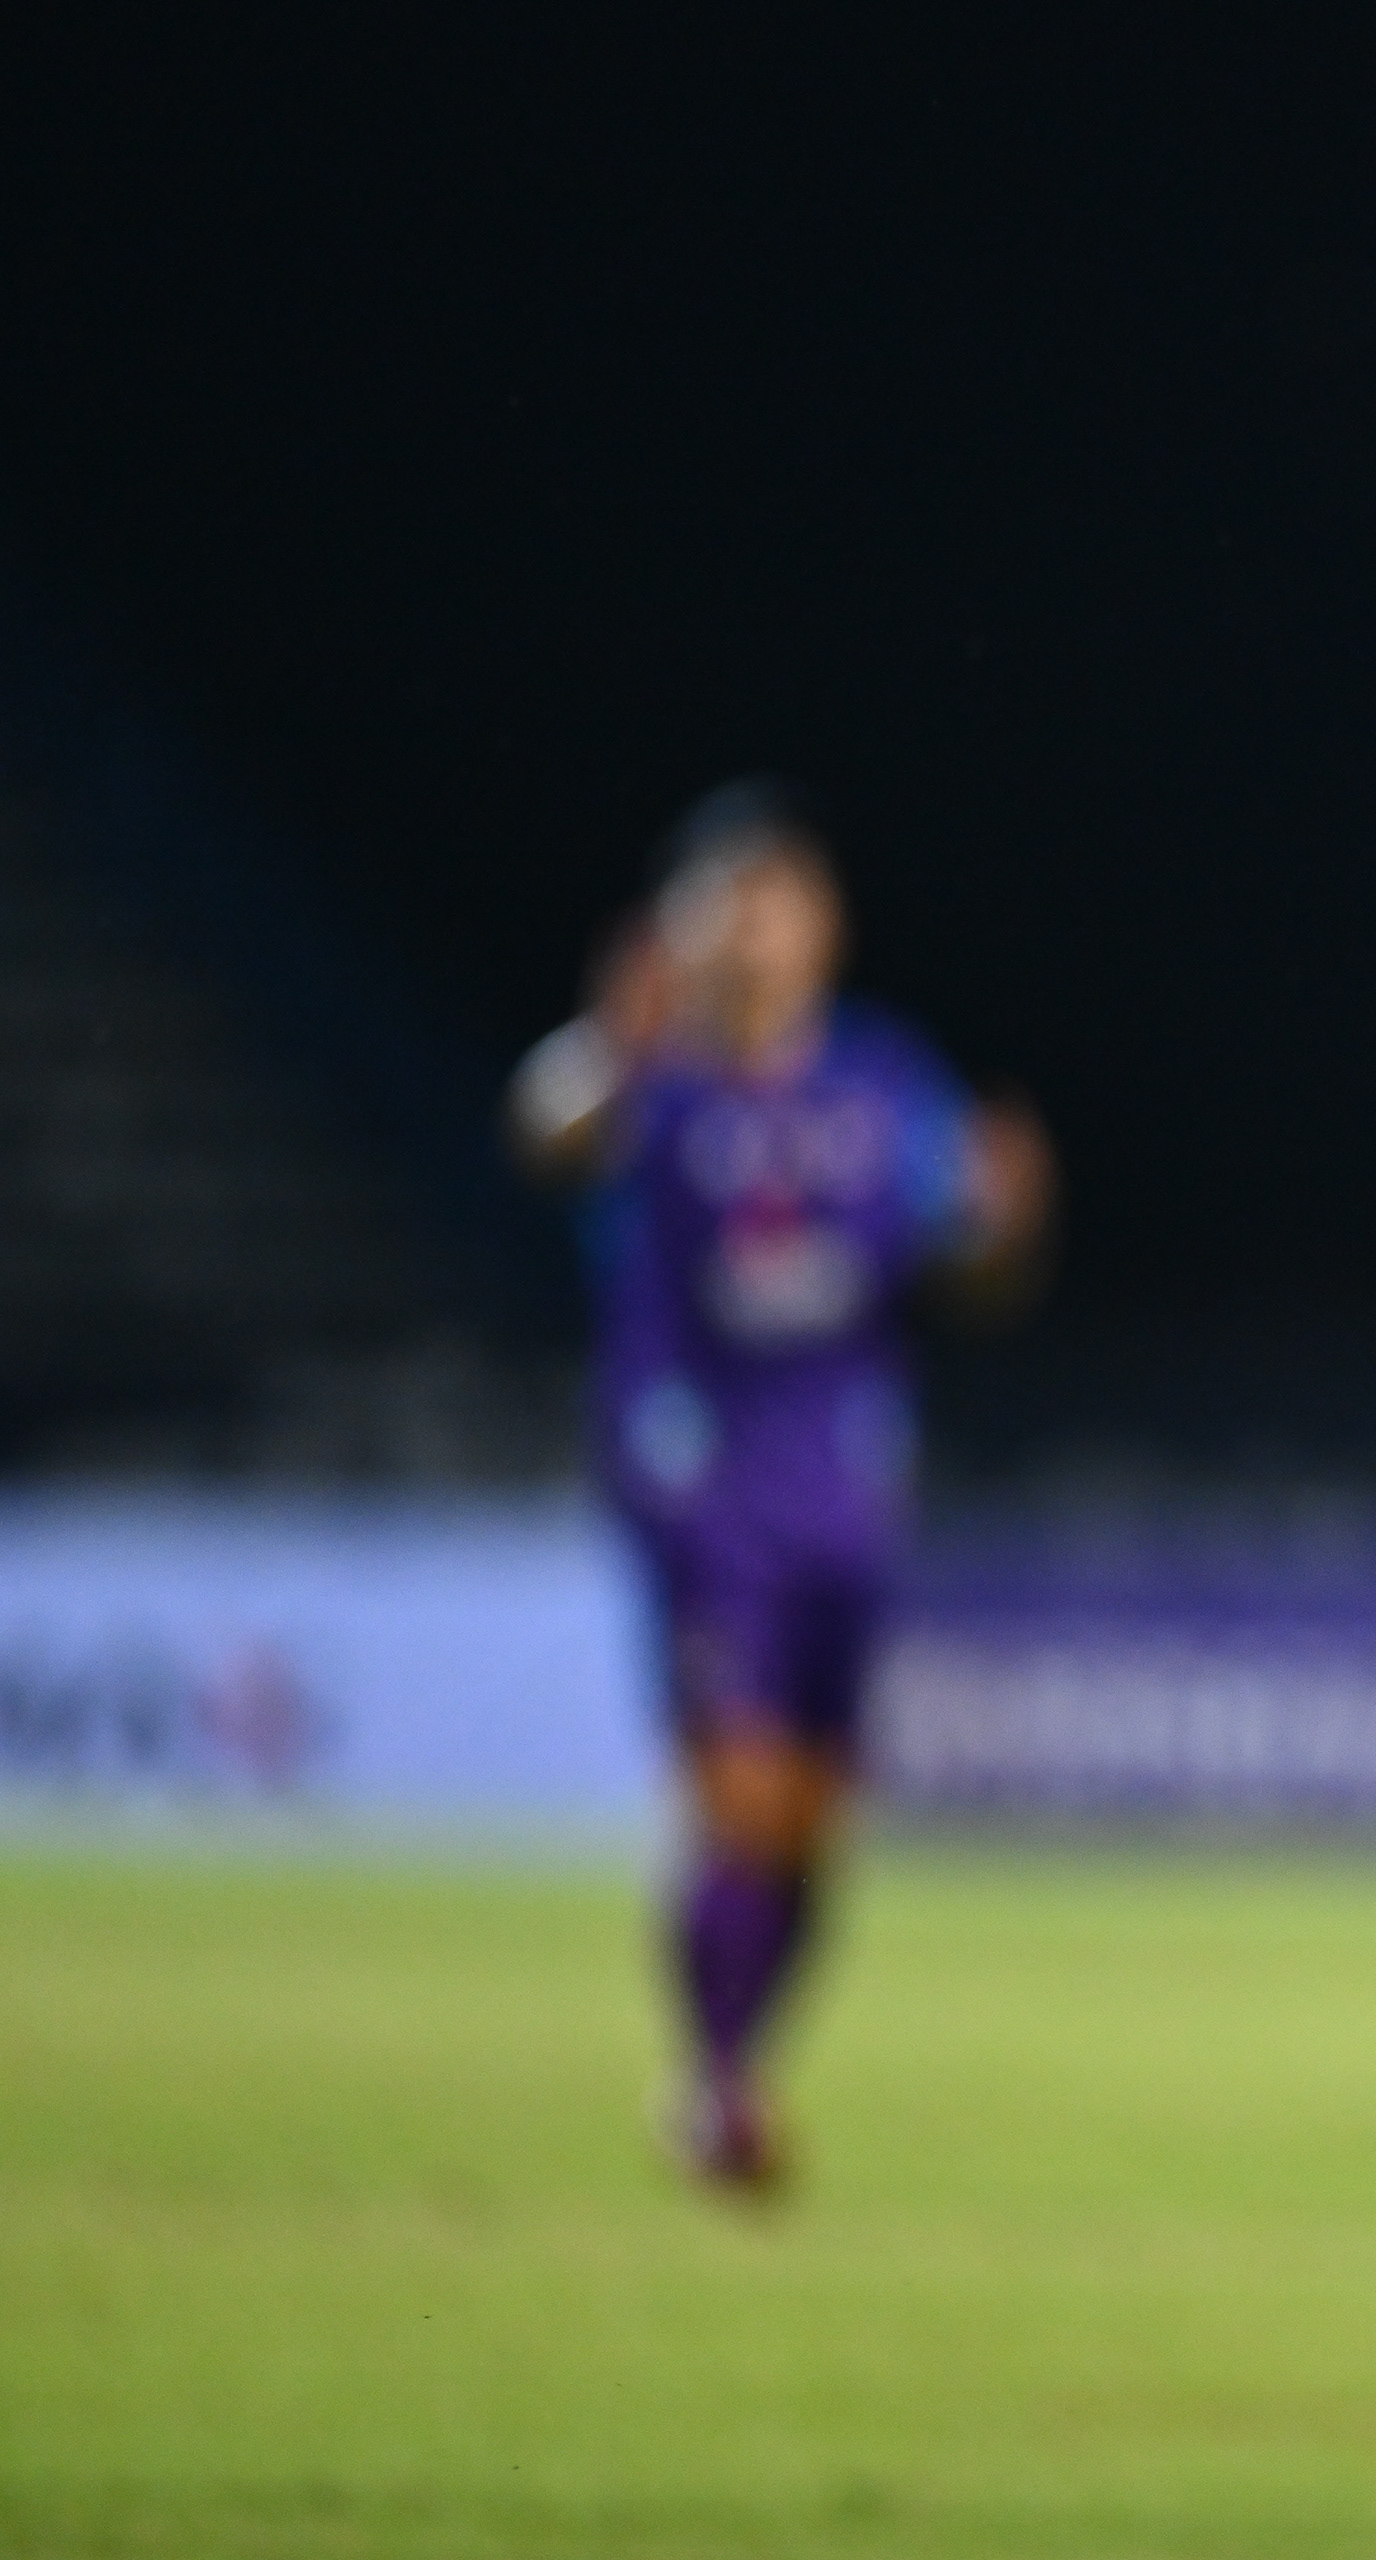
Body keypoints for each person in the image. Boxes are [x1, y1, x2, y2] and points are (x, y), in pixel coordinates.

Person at [508, 781, 1052, 2189]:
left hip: (844, 1485)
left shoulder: (881, 1080)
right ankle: (716, 2084)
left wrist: (1005, 1223)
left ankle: (729, 2069)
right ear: (683, 928)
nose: (755, 931)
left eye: (779, 902)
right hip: (695, 1478)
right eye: (729, 904)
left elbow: (972, 1269)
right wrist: (612, 1045)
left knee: (810, 1821)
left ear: (825, 927)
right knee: (738, 1791)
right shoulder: (653, 1077)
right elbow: (544, 1131)